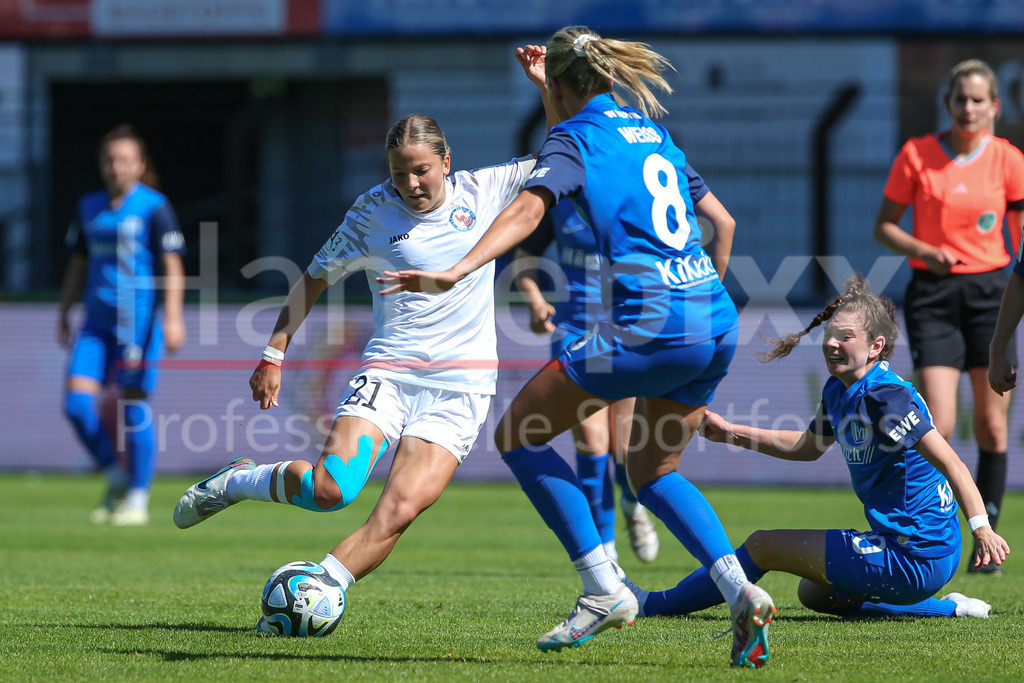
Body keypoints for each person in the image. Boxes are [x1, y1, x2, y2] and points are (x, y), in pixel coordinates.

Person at [379, 28, 772, 668]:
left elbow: (532, 209)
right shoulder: (650, 132)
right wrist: (698, 297)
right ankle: (739, 590)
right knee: (653, 473)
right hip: (716, 318)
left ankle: (602, 587)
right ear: (608, 78)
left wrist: (457, 268)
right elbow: (722, 223)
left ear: (559, 88)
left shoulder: (575, 138)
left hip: (652, 324)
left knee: (519, 434)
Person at [173, 48, 549, 633]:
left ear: (446, 162)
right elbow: (315, 279)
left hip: (462, 389)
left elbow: (562, 151)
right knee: (330, 490)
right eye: (400, 172)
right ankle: (237, 479)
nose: (411, 183)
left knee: (398, 511)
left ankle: (320, 588)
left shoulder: (488, 189)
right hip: (392, 374)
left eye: (421, 170)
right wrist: (274, 351)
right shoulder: (372, 213)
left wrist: (546, 88)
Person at [620, 277, 1009, 623]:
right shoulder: (840, 389)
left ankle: (652, 604)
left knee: (762, 546)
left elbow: (954, 463)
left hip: (915, 553)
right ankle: (951, 608)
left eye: (845, 337)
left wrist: (982, 529)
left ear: (876, 346)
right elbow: (807, 448)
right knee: (816, 594)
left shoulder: (886, 398)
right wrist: (732, 433)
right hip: (908, 551)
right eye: (829, 334)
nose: (831, 344)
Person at [872, 59, 1024, 573]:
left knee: (992, 427)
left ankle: (989, 540)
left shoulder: (1008, 160)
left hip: (991, 295)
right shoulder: (917, 155)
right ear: (947, 103)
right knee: (935, 424)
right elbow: (885, 227)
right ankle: (931, 536)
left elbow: (1022, 241)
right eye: (960, 98)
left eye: (978, 99)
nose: (968, 107)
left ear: (994, 107)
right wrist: (924, 248)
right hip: (933, 295)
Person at [513, 199, 659, 564]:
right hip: (573, 332)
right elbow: (524, 261)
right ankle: (607, 557)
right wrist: (535, 302)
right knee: (593, 444)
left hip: (625, 331)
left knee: (624, 452)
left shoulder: (628, 197)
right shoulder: (558, 204)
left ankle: (631, 503)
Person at [57, 124, 186, 526]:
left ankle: (137, 496)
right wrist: (64, 311)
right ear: (102, 164)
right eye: (111, 159)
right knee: (76, 405)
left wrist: (175, 316)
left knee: (133, 408)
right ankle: (114, 474)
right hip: (95, 324)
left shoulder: (153, 206)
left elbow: (172, 263)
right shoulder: (89, 207)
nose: (117, 167)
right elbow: (78, 264)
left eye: (125, 159)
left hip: (138, 324)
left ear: (140, 164)